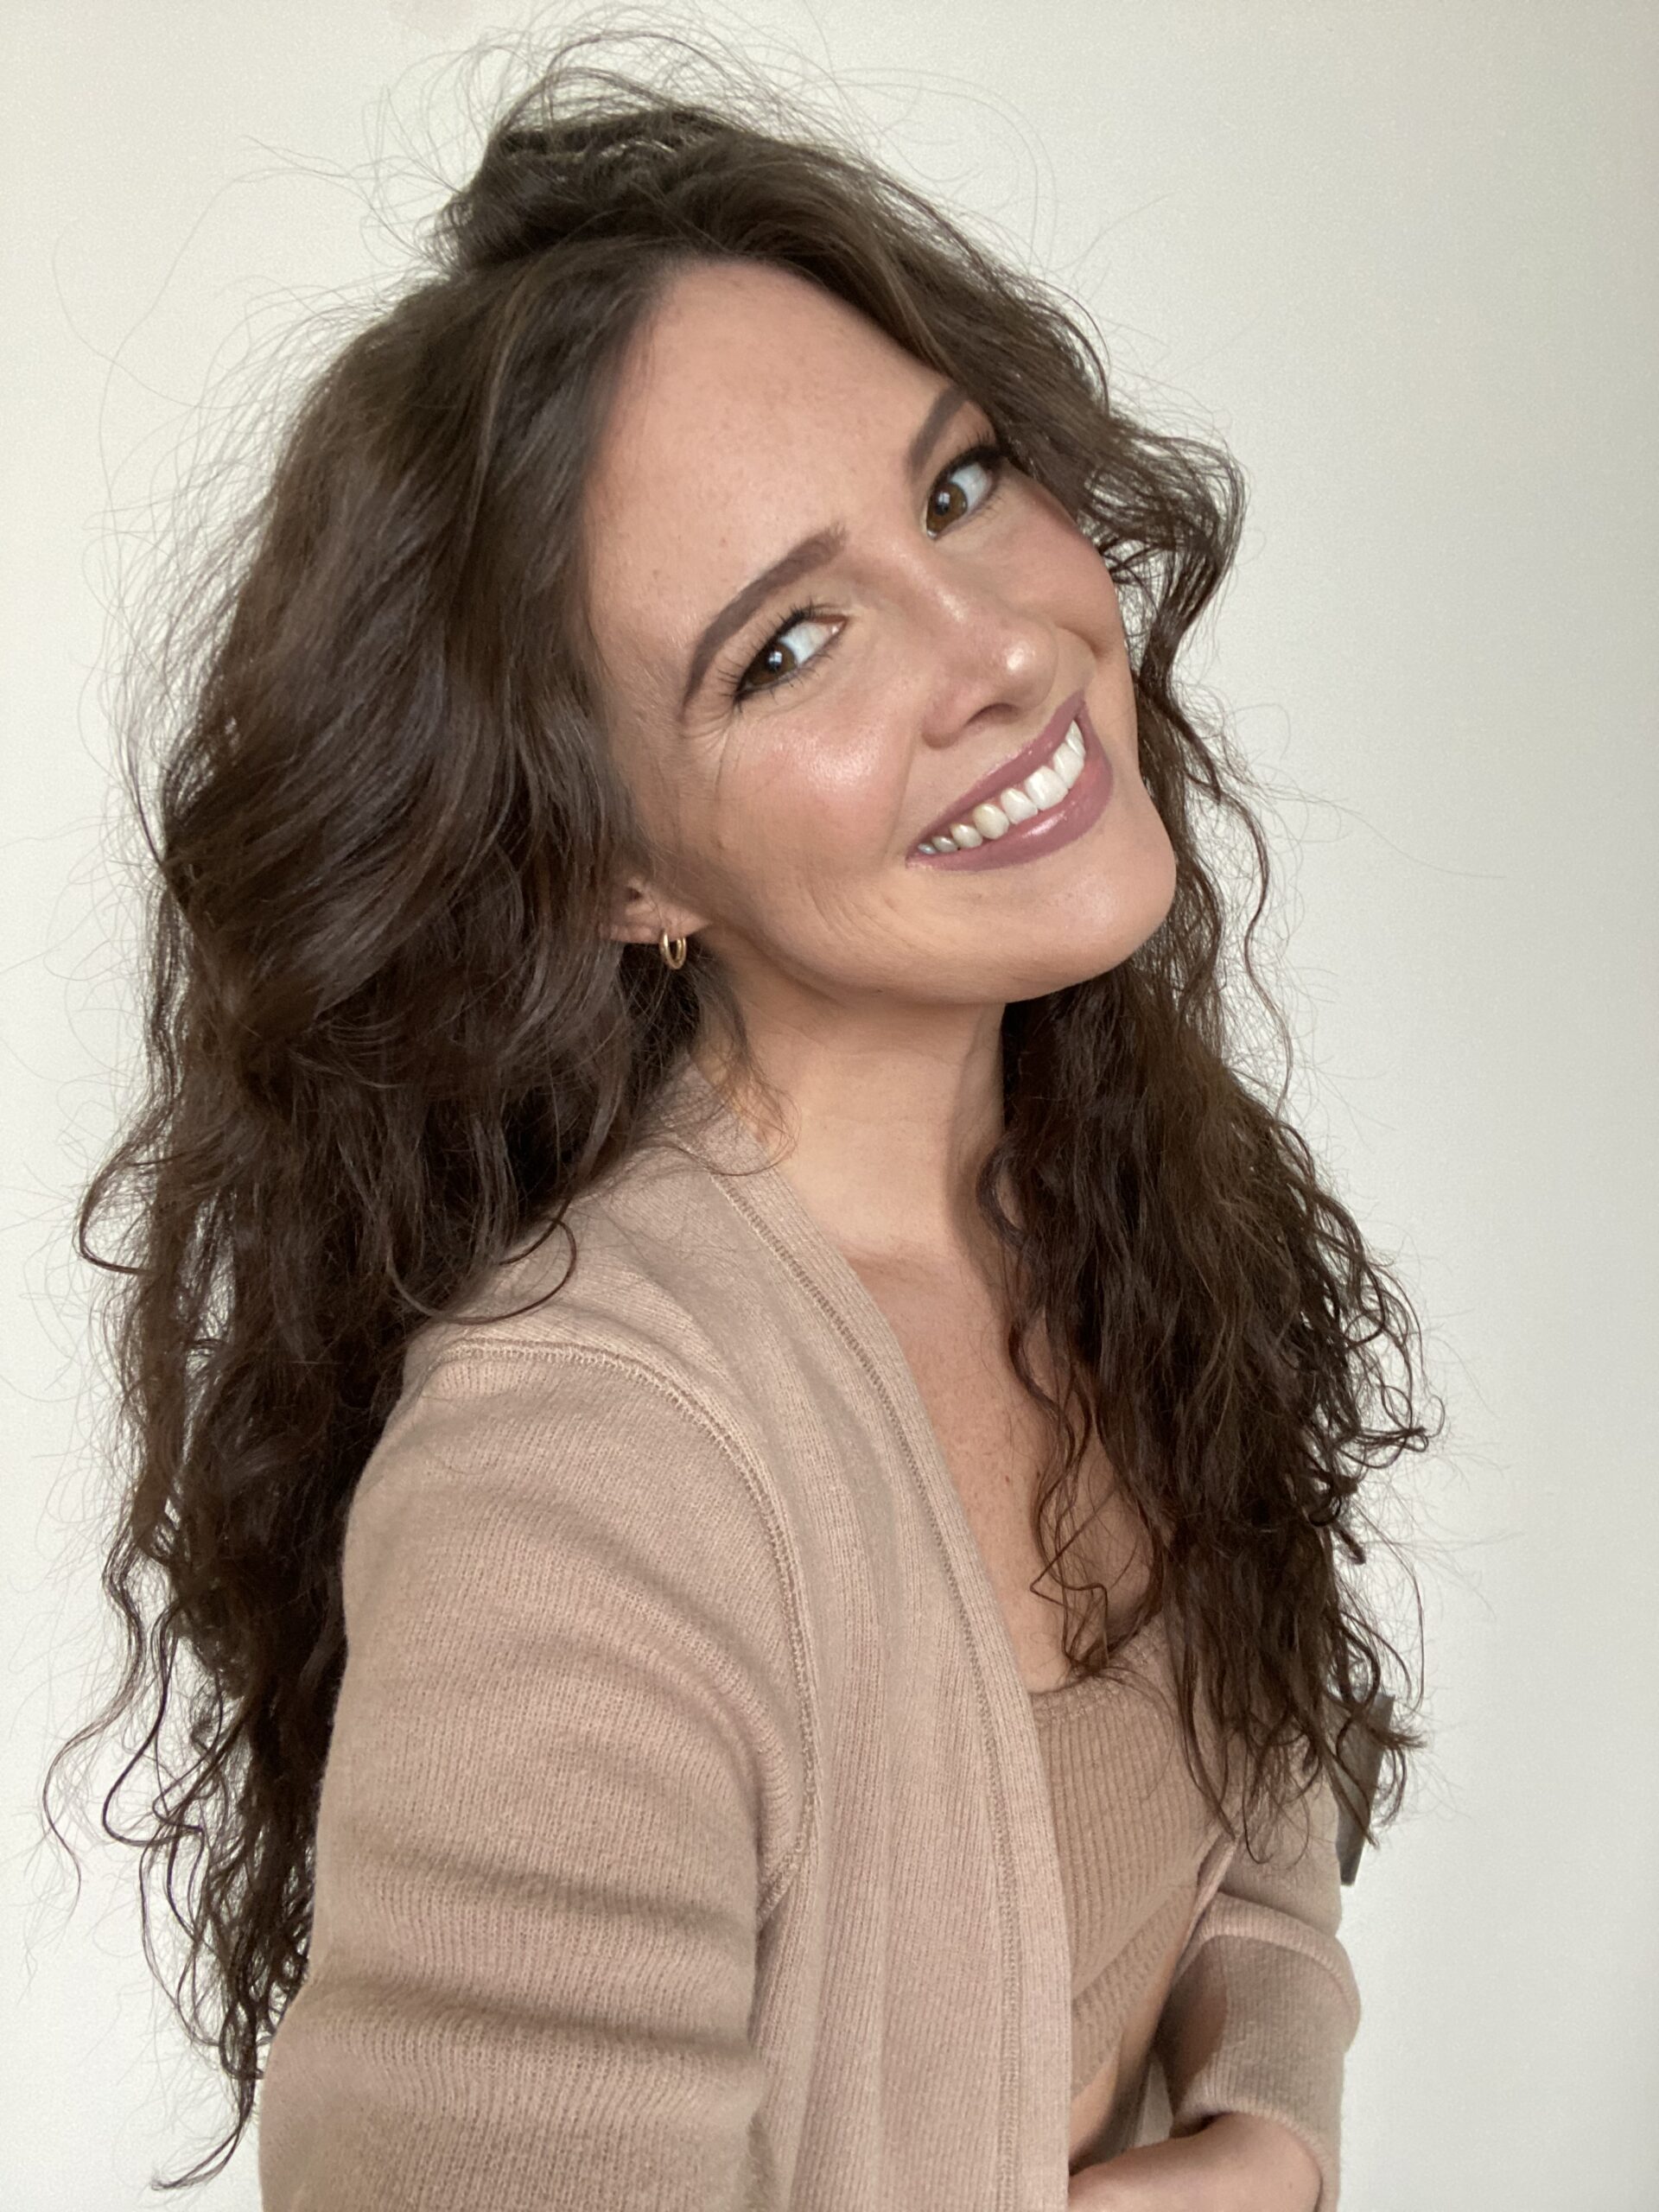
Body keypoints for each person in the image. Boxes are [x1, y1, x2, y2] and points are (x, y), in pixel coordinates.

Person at [54, 30, 1432, 2211]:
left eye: (957, 486)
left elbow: (1250, 1803)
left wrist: (1269, 2122)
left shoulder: (1108, 1184)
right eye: (789, 645)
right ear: (618, 871)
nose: (999, 647)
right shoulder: (579, 1477)